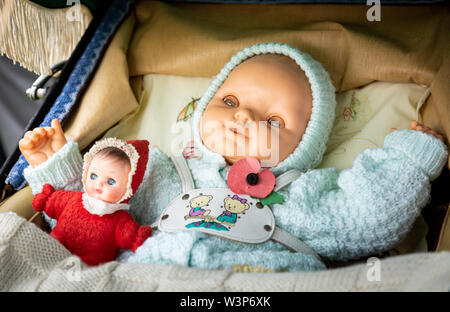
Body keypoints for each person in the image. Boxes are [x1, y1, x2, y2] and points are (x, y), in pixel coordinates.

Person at [19, 43, 448, 271]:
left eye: (274, 121)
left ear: (305, 146)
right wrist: (58, 167)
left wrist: (408, 161)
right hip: (146, 274)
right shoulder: (162, 170)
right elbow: (88, 221)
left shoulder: (306, 193)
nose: (243, 115)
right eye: (229, 100)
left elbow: (368, 220)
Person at [23, 134, 152, 266]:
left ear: (128, 189)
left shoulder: (118, 220)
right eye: (94, 175)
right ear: (86, 173)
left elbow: (127, 234)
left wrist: (136, 237)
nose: (99, 183)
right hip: (53, 251)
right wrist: (47, 200)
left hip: (87, 267)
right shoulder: (74, 198)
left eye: (111, 181)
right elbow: (54, 202)